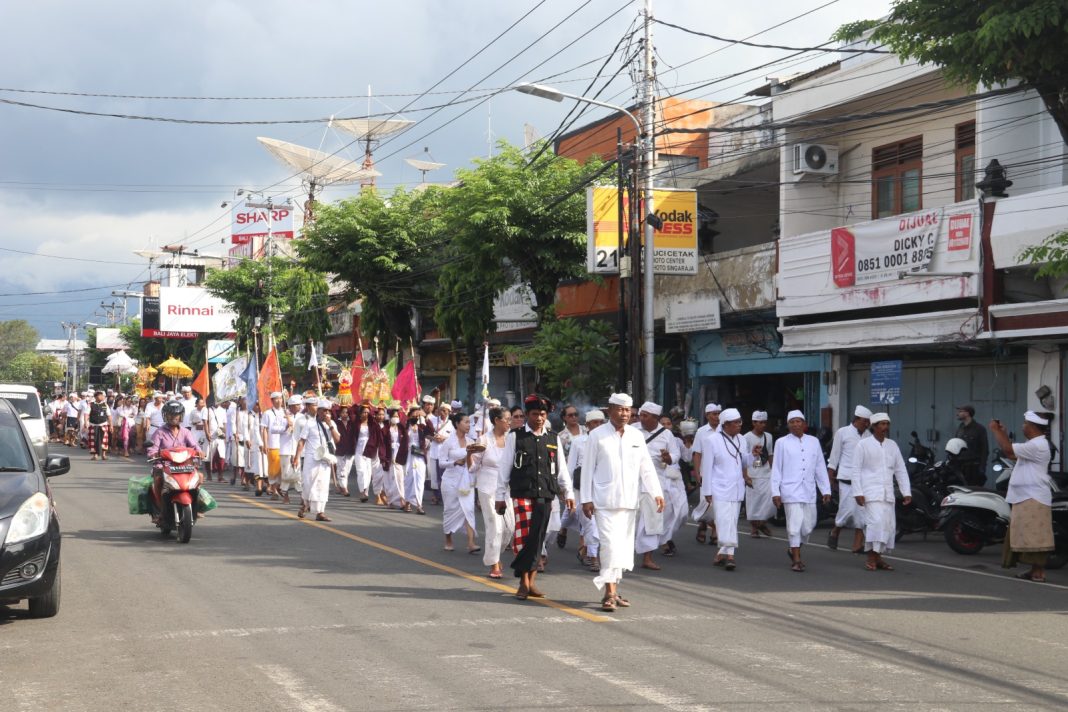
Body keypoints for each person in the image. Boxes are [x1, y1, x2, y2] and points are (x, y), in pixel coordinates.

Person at [580, 393, 662, 612]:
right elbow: (587, 468)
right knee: (609, 546)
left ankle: (614, 589)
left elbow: (646, 467)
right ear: (610, 410)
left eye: (628, 410)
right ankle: (609, 593)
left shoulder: (636, 435)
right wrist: (585, 499)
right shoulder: (597, 435)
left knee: (623, 549)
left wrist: (656, 492)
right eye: (620, 409)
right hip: (604, 501)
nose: (625, 414)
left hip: (629, 501)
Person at [495, 394, 575, 601]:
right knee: (524, 537)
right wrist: (499, 496)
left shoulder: (553, 438)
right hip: (522, 493)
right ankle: (523, 582)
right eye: (534, 414)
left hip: (546, 494)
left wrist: (569, 493)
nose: (539, 418)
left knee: (538, 538)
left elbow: (562, 469)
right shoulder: (515, 436)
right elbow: (504, 468)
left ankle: (531, 581)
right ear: (527, 414)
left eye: (542, 414)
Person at [992, 411, 1055, 582]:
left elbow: (1007, 449)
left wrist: (996, 431)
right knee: (1026, 534)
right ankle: (1034, 570)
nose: (1023, 426)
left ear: (1033, 427)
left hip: (1034, 496)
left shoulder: (1038, 445)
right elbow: (1011, 454)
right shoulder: (1033, 443)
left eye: (1025, 423)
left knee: (1036, 535)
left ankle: (1039, 572)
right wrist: (1003, 433)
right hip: (1026, 496)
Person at [771, 410, 832, 572]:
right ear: (788, 424)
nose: (796, 424)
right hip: (790, 490)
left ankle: (793, 548)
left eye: (799, 421)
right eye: (792, 422)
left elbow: (820, 467)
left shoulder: (813, 441)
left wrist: (825, 489)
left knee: (809, 525)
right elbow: (776, 468)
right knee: (794, 525)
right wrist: (775, 492)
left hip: (809, 490)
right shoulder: (781, 443)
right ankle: (796, 559)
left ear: (804, 424)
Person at [693, 407, 752, 570]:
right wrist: (707, 491)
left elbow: (744, 462)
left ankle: (722, 553)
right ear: (725, 425)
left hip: (737, 487)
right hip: (718, 487)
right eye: (735, 423)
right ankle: (730, 556)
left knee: (732, 520)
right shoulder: (712, 440)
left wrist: (753, 455)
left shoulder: (742, 439)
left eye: (740, 422)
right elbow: (707, 467)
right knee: (723, 520)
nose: (739, 425)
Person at [852, 412, 911, 572]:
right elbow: (856, 470)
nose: (885, 427)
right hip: (869, 492)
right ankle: (871, 557)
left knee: (887, 525)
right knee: (875, 523)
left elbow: (900, 469)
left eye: (887, 424)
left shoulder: (892, 445)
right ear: (874, 426)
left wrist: (906, 492)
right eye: (882, 424)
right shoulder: (863, 445)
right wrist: (857, 492)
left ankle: (878, 557)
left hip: (887, 492)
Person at [634, 401, 681, 571]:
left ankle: (647, 557)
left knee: (652, 520)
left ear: (655, 418)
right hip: (631, 480)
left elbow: (675, 455)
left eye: (645, 415)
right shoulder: (633, 430)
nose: (641, 418)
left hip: (655, 482)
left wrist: (668, 458)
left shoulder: (666, 435)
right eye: (641, 414)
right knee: (631, 518)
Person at [470, 407, 515, 578]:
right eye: (507, 419)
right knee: (495, 527)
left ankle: (496, 554)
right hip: (487, 487)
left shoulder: (512, 439)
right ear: (496, 420)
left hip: (507, 488)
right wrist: (469, 455)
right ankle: (494, 564)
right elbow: (473, 467)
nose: (509, 422)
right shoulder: (483, 440)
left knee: (509, 528)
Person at [146, 400, 203, 523]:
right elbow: (152, 449)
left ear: (181, 416)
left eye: (176, 415)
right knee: (157, 480)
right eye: (170, 415)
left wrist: (200, 452)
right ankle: (161, 510)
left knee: (200, 477)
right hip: (163, 466)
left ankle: (195, 506)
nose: (173, 418)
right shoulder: (159, 432)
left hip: (185, 466)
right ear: (165, 415)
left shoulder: (186, 432)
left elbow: (194, 446)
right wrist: (153, 454)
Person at [827, 405, 873, 553]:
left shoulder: (868, 436)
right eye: (865, 421)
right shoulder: (843, 433)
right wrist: (830, 477)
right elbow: (834, 457)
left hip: (863, 479)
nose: (867, 424)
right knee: (846, 510)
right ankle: (835, 531)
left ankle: (857, 545)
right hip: (846, 478)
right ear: (857, 419)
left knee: (862, 513)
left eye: (868, 422)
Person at [566, 409, 604, 571]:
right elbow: (570, 467)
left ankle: (585, 550)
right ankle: (593, 556)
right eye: (595, 423)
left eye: (601, 423)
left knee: (600, 525)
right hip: (581, 489)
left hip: (602, 489)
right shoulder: (578, 441)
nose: (599, 426)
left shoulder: (609, 440)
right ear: (588, 425)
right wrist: (567, 492)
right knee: (590, 523)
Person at [438, 412, 479, 553]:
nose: (469, 425)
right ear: (457, 424)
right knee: (449, 510)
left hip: (466, 480)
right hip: (450, 481)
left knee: (468, 509)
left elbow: (474, 462)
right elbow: (441, 463)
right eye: (466, 422)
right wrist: (455, 462)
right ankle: (448, 539)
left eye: (470, 422)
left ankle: (471, 543)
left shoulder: (471, 442)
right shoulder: (448, 442)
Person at [293, 398, 340, 521]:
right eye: (323, 411)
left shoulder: (332, 424)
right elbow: (301, 441)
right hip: (311, 459)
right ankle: (304, 505)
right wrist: (297, 457)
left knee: (323, 486)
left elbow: (338, 440)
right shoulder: (310, 423)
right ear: (318, 411)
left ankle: (320, 512)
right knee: (309, 485)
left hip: (325, 459)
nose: (326, 413)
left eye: (328, 411)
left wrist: (330, 425)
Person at [693, 403, 722, 544]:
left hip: (722, 475)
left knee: (719, 504)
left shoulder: (725, 430)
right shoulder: (701, 431)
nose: (717, 417)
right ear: (707, 415)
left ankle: (715, 530)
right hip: (706, 474)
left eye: (719, 413)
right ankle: (704, 523)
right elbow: (697, 454)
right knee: (706, 503)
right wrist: (697, 473)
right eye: (714, 414)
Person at [744, 411, 776, 538]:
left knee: (768, 501)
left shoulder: (769, 436)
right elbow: (744, 458)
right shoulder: (746, 437)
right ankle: (754, 528)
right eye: (760, 423)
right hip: (752, 474)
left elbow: (770, 454)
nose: (763, 425)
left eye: (764, 423)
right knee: (754, 502)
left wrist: (774, 471)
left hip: (766, 472)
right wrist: (746, 476)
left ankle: (761, 523)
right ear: (754, 423)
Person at [955, 404, 989, 486]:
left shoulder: (979, 429)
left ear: (967, 413)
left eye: (960, 412)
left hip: (973, 468)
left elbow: (985, 449)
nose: (957, 414)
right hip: (959, 466)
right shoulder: (960, 427)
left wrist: (982, 468)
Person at [333, 405, 357, 497]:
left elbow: (355, 413)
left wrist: (350, 407)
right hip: (340, 448)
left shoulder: (352, 423)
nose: (345, 414)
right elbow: (333, 412)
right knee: (341, 469)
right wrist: (341, 404)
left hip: (350, 449)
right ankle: (345, 488)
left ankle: (341, 485)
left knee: (346, 470)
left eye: (347, 412)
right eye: (343, 412)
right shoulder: (336, 423)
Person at [87, 390, 111, 461]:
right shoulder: (91, 404)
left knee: (104, 440)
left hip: (103, 424)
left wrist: (111, 425)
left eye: (103, 396)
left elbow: (109, 415)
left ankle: (104, 455)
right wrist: (86, 422)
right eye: (101, 395)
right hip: (93, 425)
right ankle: (95, 455)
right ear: (96, 397)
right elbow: (86, 414)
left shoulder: (105, 405)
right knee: (94, 440)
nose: (103, 397)